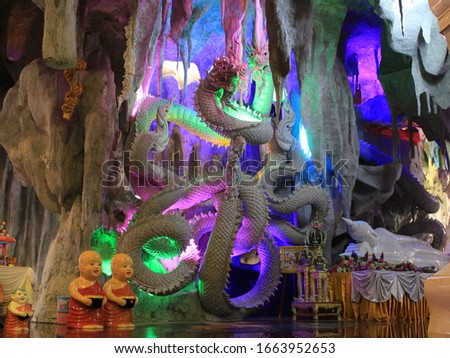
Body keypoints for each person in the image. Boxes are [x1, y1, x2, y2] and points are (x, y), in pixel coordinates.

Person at [66, 250, 106, 330]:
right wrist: (82, 299)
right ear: (81, 267)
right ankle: (79, 323)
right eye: (92, 264)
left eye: (99, 264)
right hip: (80, 311)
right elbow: (73, 291)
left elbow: (102, 293)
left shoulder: (97, 283)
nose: (96, 267)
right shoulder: (77, 282)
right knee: (80, 314)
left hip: (95, 309)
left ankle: (95, 322)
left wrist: (104, 299)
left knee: (97, 314)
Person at [103, 253, 137, 330]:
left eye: (131, 267)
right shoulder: (110, 283)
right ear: (114, 269)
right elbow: (107, 293)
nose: (129, 269)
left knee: (127, 318)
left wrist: (135, 299)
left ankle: (126, 322)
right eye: (125, 266)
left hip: (125, 309)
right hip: (113, 311)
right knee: (113, 318)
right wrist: (117, 300)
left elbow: (131, 294)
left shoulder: (127, 285)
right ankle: (112, 322)